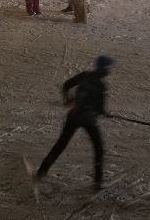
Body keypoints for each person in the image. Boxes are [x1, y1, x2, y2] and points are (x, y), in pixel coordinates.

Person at [36, 55, 112, 190]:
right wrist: (105, 114)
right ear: (104, 69)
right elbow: (100, 109)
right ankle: (97, 182)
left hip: (73, 116)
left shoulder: (84, 75)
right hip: (88, 120)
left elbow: (66, 85)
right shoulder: (101, 86)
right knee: (98, 149)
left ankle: (42, 171)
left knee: (61, 144)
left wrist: (68, 100)